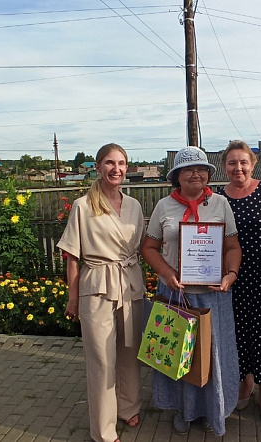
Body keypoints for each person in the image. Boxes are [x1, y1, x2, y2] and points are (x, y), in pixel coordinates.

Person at [140, 146, 242, 436]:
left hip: (213, 294)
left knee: (212, 355)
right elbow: (149, 247)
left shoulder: (221, 204)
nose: (196, 173)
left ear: (208, 174)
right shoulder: (164, 206)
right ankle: (183, 410)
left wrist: (231, 274)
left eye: (201, 169)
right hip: (176, 293)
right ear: (177, 176)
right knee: (178, 354)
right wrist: (167, 273)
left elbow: (233, 246)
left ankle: (213, 409)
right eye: (188, 169)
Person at [57, 143, 145, 442]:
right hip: (96, 286)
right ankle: (104, 430)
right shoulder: (84, 205)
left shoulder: (134, 205)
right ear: (98, 166)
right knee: (101, 359)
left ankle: (128, 406)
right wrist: (73, 297)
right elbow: (72, 255)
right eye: (110, 163)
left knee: (129, 351)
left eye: (121, 163)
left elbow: (145, 246)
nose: (116, 169)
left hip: (129, 282)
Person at [216, 140, 261, 427]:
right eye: (232, 162)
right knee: (239, 335)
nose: (238, 167)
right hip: (233, 277)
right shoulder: (218, 198)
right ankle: (245, 384)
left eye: (243, 161)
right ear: (225, 166)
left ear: (253, 164)